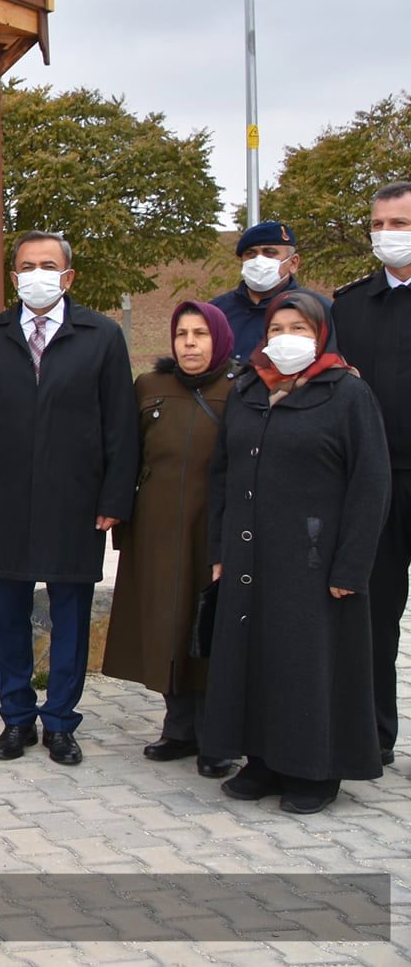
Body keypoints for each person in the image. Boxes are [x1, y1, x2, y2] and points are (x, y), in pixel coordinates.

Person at [201, 292, 391, 813]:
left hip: (315, 562)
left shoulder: (349, 395)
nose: (287, 337)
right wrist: (219, 548)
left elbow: (371, 484)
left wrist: (352, 564)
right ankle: (262, 759)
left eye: (300, 328)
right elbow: (221, 474)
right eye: (278, 327)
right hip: (249, 557)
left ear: (322, 334)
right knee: (256, 657)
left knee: (307, 663)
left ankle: (315, 771)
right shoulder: (247, 390)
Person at [0, 231, 136, 765]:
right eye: (27, 266)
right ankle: (16, 719)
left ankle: (60, 720)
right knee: (8, 616)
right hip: (5, 499)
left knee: (71, 617)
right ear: (14, 278)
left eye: (48, 265)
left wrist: (113, 497)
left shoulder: (101, 336)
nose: (37, 274)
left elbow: (120, 427)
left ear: (68, 276)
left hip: (76, 502)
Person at [99, 301, 236, 779]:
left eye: (200, 334)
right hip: (155, 528)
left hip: (213, 530)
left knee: (211, 629)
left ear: (220, 337)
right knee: (164, 625)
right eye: (182, 334)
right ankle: (179, 728)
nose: (190, 343)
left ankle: (217, 737)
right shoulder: (150, 386)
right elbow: (125, 451)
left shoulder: (241, 390)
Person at [333, 181, 411, 766]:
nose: (387, 234)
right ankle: (376, 734)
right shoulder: (349, 305)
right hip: (373, 483)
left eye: (400, 224)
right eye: (380, 224)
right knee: (375, 614)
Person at [209, 220, 330, 366]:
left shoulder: (320, 309)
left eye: (270, 253)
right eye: (251, 254)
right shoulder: (217, 312)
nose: (259, 260)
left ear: (293, 263)